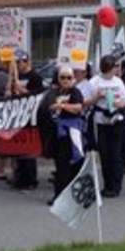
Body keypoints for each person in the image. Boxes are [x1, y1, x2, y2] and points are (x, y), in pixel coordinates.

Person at [84, 55, 125, 198]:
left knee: (115, 153)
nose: (115, 71)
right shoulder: (94, 82)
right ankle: (107, 184)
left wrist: (118, 104)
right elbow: (85, 102)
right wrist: (97, 97)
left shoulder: (118, 82)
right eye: (113, 68)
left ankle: (115, 186)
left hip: (116, 119)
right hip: (100, 120)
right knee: (104, 154)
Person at [47, 65, 86, 205]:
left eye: (68, 78)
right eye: (62, 77)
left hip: (73, 131)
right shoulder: (54, 92)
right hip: (58, 132)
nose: (65, 80)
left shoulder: (75, 92)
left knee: (75, 163)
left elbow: (78, 107)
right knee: (60, 166)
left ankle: (75, 195)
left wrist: (63, 106)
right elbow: (49, 105)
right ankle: (59, 196)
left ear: (73, 79)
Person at [9, 50, 45, 191]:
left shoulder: (35, 77)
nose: (18, 65)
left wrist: (22, 90)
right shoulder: (16, 77)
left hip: (30, 117)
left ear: (26, 61)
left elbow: (38, 95)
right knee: (19, 149)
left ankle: (31, 179)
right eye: (16, 63)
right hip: (18, 116)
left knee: (29, 150)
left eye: (19, 62)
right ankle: (20, 177)